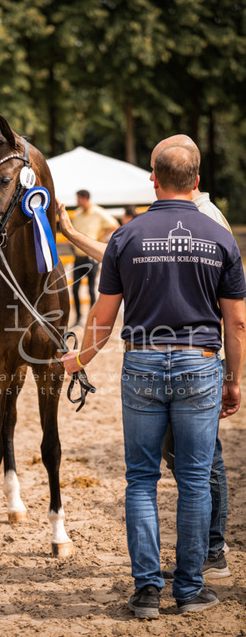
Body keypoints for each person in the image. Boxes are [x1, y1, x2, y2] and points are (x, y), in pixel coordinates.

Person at [62, 145, 246, 618]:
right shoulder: (220, 237)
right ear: (197, 181)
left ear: (153, 179)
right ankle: (189, 589)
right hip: (199, 365)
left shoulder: (126, 236)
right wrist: (233, 381)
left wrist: (78, 360)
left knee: (141, 480)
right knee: (194, 482)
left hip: (142, 362)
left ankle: (146, 590)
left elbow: (103, 317)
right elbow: (237, 323)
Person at [69, 190, 119, 326]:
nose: (77, 201)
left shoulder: (98, 212)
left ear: (85, 198)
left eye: (78, 198)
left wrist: (101, 238)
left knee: (91, 289)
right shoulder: (78, 213)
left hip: (91, 257)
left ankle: (92, 319)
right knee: (75, 289)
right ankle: (79, 317)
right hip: (78, 257)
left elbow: (114, 225)